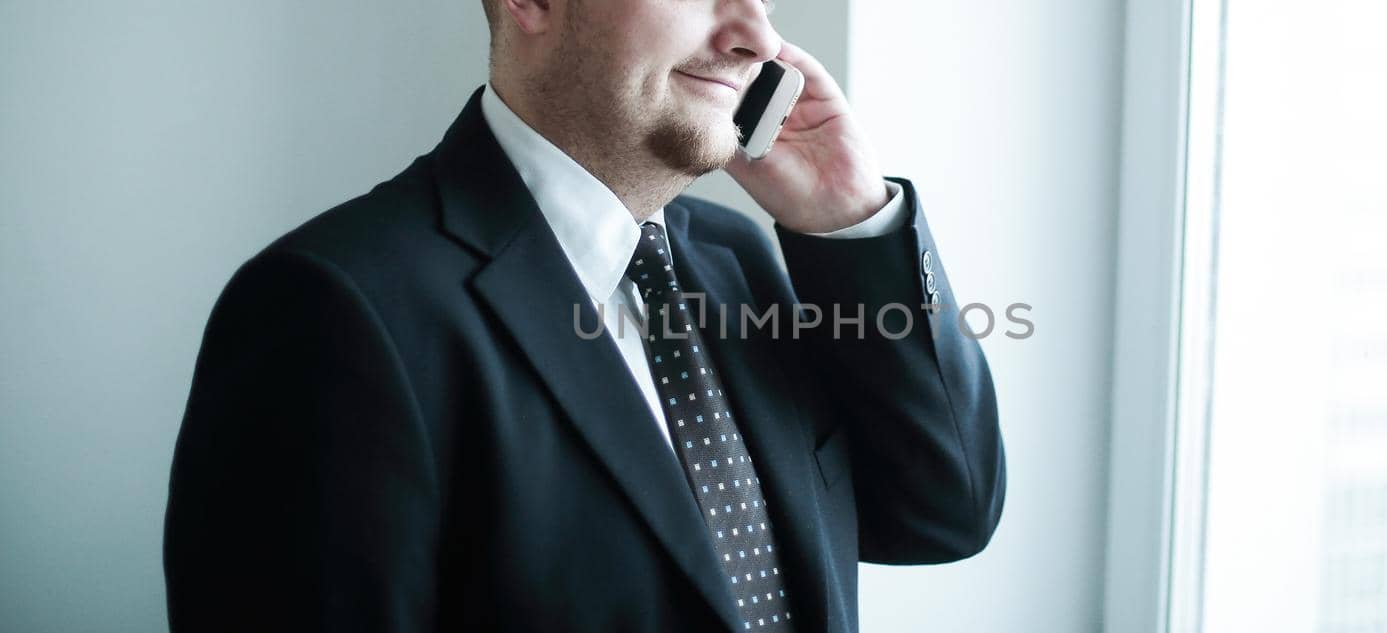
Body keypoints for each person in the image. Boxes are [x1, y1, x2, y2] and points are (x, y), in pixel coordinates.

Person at [162, 0, 1006, 631]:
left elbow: (944, 512)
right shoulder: (330, 311)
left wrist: (851, 219)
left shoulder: (745, 263)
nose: (756, 34)